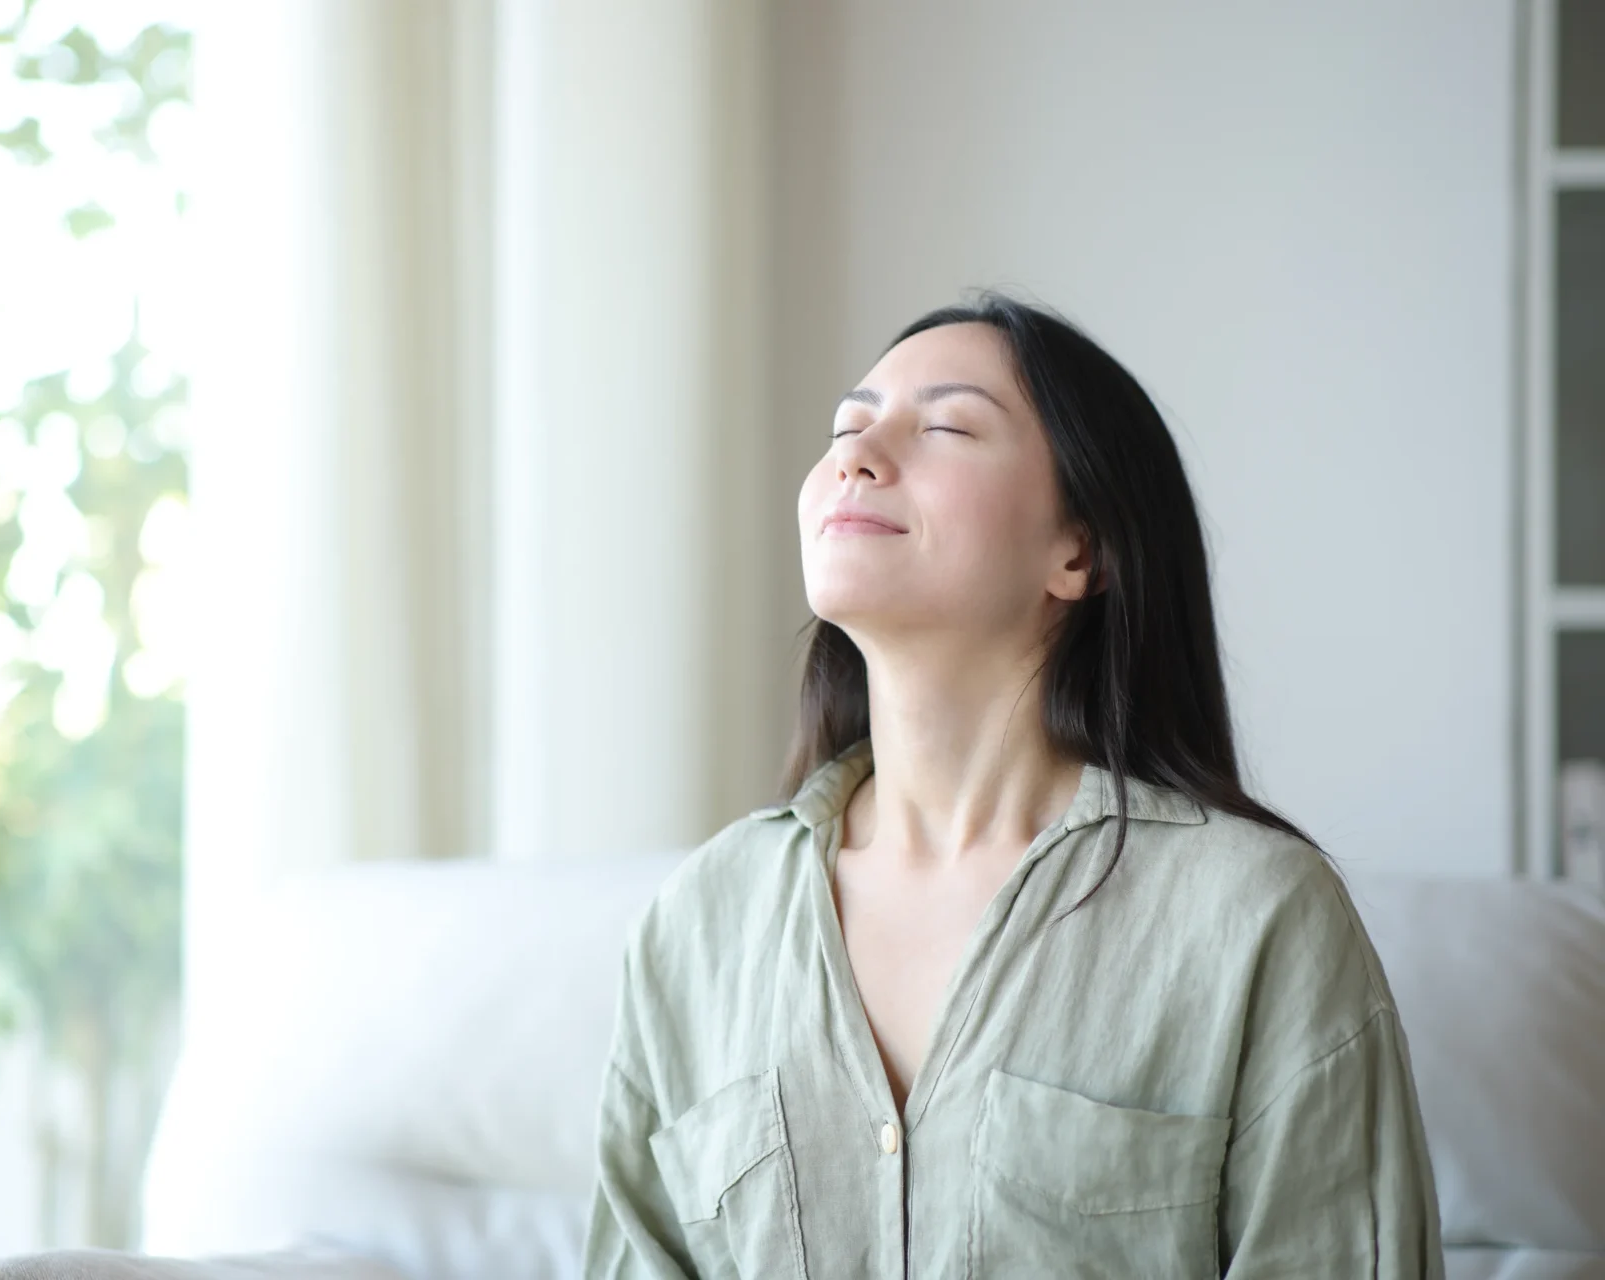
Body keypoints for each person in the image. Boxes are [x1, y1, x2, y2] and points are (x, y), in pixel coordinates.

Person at [580, 292, 1444, 1278]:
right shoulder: (702, 918)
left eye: (945, 427)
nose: (858, 457)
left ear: (1079, 550)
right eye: (846, 429)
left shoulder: (1258, 917)